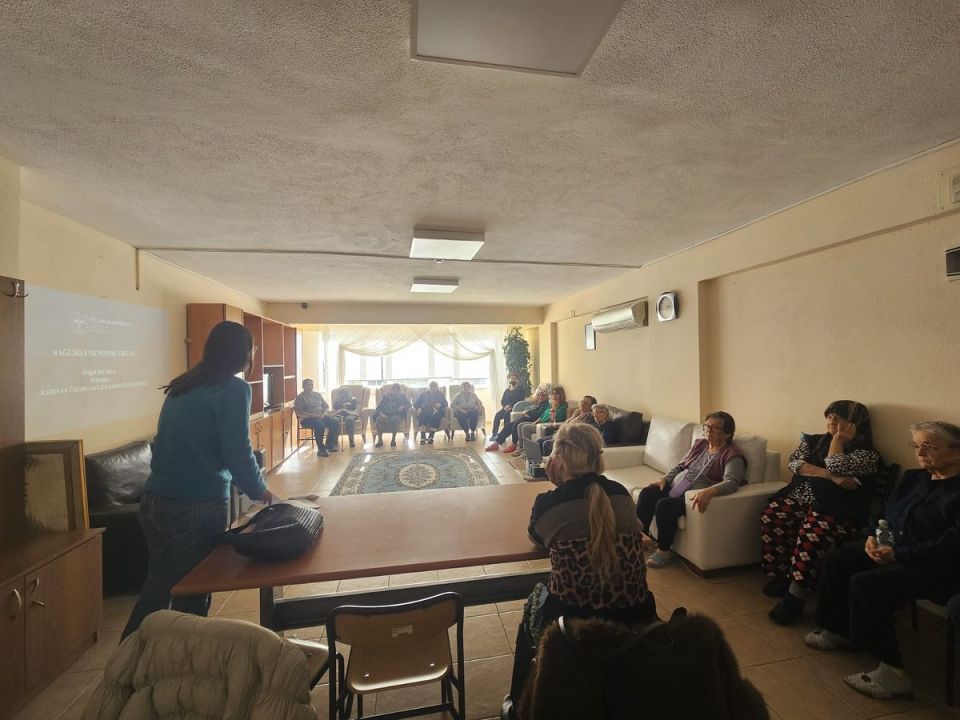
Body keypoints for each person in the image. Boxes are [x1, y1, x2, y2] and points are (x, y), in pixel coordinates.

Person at [122, 321, 275, 639]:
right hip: (195, 506)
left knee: (159, 585)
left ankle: (132, 655)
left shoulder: (182, 386)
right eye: (252, 349)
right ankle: (183, 659)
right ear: (242, 352)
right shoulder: (233, 389)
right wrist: (260, 491)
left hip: (154, 501)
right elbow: (237, 451)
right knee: (192, 593)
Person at [804, 421, 960, 700]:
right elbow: (883, 513)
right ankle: (840, 631)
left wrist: (899, 554)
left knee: (867, 584)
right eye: (917, 445)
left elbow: (951, 544)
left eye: (929, 446)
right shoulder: (914, 478)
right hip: (893, 548)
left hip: (936, 565)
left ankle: (892, 673)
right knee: (839, 558)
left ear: (957, 451)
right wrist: (872, 537)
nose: (920, 452)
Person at [507, 423, 656, 711]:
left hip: (571, 623)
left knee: (532, 603)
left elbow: (537, 538)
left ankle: (519, 702)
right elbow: (631, 528)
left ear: (558, 459)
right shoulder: (621, 494)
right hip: (635, 615)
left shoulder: (548, 503)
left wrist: (558, 487)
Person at [761, 400, 881, 625]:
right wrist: (830, 476)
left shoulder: (867, 455)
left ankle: (795, 595)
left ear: (855, 424)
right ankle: (782, 575)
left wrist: (837, 441)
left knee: (814, 530)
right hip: (804, 500)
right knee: (774, 514)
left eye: (838, 417)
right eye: (829, 416)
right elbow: (794, 463)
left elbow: (835, 464)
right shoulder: (814, 441)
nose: (831, 420)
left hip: (839, 509)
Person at [637, 411, 746, 569]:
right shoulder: (700, 444)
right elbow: (680, 466)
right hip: (676, 488)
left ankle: (664, 551)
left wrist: (708, 492)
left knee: (665, 505)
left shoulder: (732, 454)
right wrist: (665, 479)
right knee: (647, 493)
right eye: (707, 426)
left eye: (715, 428)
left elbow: (732, 482)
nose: (708, 430)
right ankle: (640, 538)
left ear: (727, 434)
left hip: (691, 497)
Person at [522, 395, 597, 467]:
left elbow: (575, 428)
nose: (582, 404)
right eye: (582, 401)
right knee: (539, 441)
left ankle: (549, 467)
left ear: (591, 407)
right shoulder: (577, 412)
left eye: (586, 403)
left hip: (570, 438)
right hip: (564, 433)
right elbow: (566, 422)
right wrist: (573, 417)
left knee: (546, 443)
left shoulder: (588, 416)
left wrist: (570, 422)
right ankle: (537, 464)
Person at [511, 387, 568, 457]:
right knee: (520, 425)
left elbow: (557, 419)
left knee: (525, 427)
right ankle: (521, 448)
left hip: (544, 425)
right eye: (553, 394)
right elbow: (543, 415)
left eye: (556, 394)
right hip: (539, 423)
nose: (554, 395)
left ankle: (527, 452)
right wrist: (537, 421)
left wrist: (554, 408)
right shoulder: (551, 405)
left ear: (561, 395)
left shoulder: (563, 407)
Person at [294, 379, 340, 456]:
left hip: (320, 416)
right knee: (320, 426)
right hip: (307, 419)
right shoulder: (300, 397)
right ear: (303, 386)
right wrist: (313, 415)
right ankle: (321, 450)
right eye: (308, 385)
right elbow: (299, 412)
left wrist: (324, 414)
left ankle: (329, 445)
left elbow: (326, 406)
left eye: (312, 385)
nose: (310, 387)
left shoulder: (317, 395)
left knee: (335, 423)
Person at [372, 383, 411, 448]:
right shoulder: (386, 397)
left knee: (395, 419)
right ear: (391, 389)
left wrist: (403, 406)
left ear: (399, 390)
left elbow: (409, 404)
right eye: (393, 388)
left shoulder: (402, 397)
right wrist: (381, 414)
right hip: (385, 414)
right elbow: (379, 407)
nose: (394, 389)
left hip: (396, 414)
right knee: (378, 419)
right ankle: (380, 440)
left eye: (396, 388)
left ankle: (393, 439)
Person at [492, 373, 527, 437]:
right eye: (512, 378)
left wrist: (510, 406)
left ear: (518, 380)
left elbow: (520, 399)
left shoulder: (520, 389)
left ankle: (504, 434)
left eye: (515, 378)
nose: (513, 380)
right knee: (497, 415)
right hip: (506, 408)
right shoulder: (507, 390)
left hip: (514, 408)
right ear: (509, 380)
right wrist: (505, 406)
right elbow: (502, 400)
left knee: (506, 415)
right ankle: (494, 433)